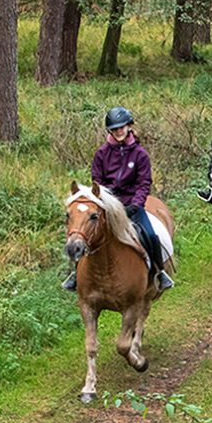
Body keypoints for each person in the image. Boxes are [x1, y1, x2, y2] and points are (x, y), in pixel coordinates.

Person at [65, 108, 174, 292]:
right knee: (85, 234)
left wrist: (136, 204)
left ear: (129, 126)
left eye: (121, 127)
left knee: (150, 234)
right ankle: (76, 274)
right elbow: (97, 182)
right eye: (114, 129)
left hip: (132, 204)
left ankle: (160, 272)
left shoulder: (140, 154)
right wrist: (106, 203)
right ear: (110, 131)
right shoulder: (101, 154)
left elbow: (144, 182)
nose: (118, 131)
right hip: (108, 206)